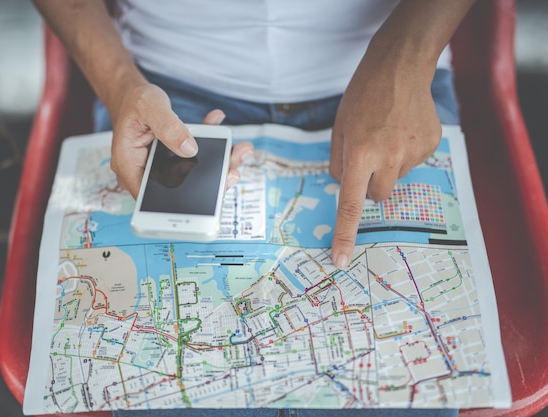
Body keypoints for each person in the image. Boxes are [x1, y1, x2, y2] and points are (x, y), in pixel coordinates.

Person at [33, 1, 475, 416]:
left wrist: (409, 55)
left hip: (396, 75)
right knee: (174, 375)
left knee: (401, 373)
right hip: (163, 92)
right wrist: (119, 85)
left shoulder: (404, 63)